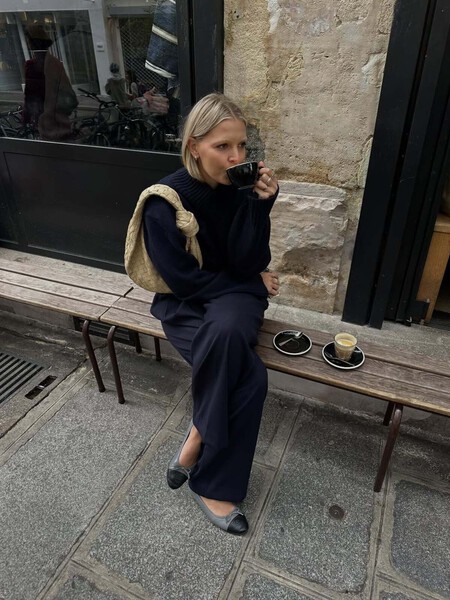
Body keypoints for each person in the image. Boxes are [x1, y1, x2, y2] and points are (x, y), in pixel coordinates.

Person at [142, 93, 280, 535]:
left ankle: (198, 437)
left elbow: (249, 261)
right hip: (186, 302)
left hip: (234, 299)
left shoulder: (241, 189)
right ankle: (212, 483)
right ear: (194, 146)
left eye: (241, 146)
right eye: (223, 146)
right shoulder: (164, 202)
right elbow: (185, 282)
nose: (236, 157)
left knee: (226, 330)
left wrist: (260, 206)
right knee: (250, 377)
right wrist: (252, 283)